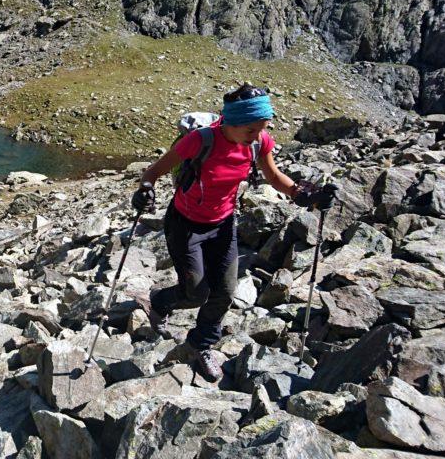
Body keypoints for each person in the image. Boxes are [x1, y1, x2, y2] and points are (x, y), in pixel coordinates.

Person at [130, 83, 337, 381]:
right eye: (251, 130)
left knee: (225, 292)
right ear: (231, 122)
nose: (258, 136)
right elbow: (153, 171)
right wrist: (146, 189)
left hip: (224, 224)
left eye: (262, 129)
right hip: (185, 225)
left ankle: (201, 344)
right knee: (196, 292)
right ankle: (160, 301)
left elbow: (274, 176)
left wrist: (304, 193)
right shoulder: (199, 141)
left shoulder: (258, 142)